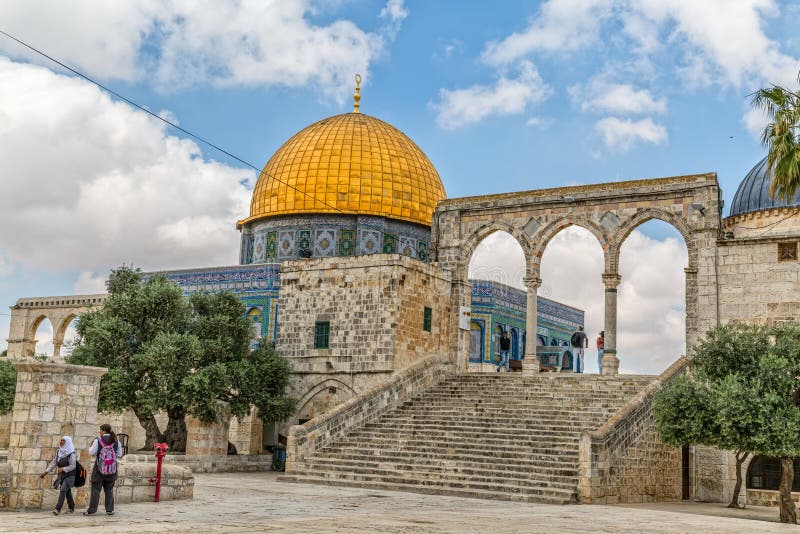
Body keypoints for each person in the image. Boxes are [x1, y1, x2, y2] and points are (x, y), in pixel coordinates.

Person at [83, 423, 123, 516]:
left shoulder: (98, 440)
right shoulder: (116, 441)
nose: (99, 431)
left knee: (95, 490)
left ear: (104, 431)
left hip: (99, 470)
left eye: (100, 430)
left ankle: (92, 510)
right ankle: (110, 510)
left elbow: (91, 452)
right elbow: (119, 454)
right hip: (112, 470)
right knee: (109, 490)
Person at [40, 435, 77, 515]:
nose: (61, 442)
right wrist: (45, 472)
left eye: (63, 441)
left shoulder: (72, 454)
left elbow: (73, 466)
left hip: (70, 475)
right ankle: (72, 506)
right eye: (61, 440)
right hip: (62, 476)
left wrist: (63, 469)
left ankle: (57, 509)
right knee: (67, 491)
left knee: (63, 489)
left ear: (67, 442)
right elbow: (54, 463)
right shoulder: (59, 452)